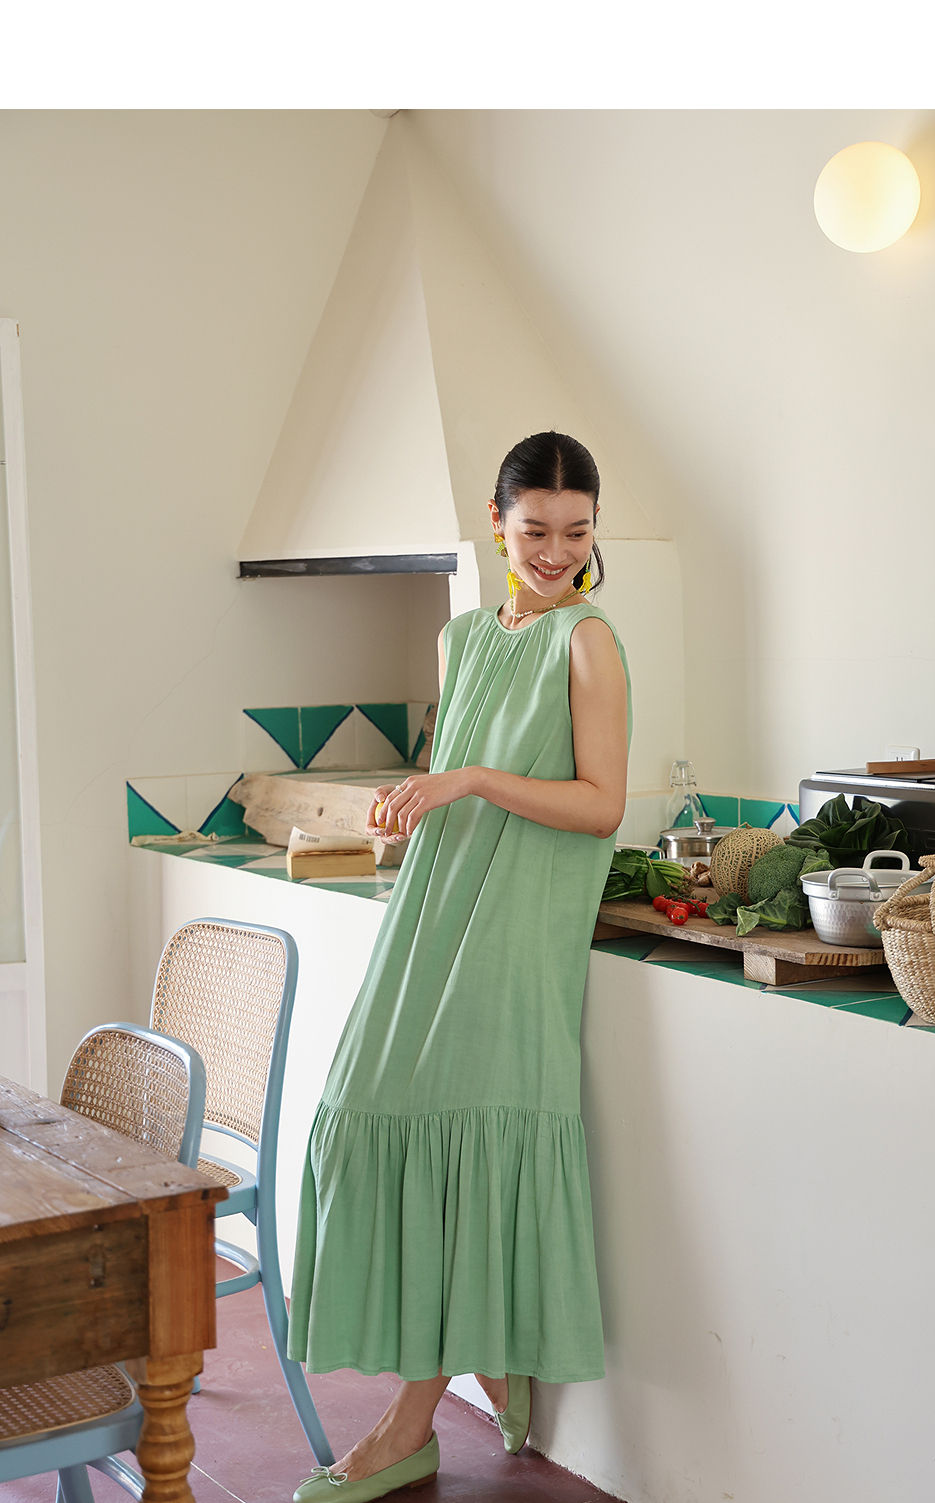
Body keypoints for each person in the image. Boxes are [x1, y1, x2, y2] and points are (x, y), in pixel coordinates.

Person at [287, 431, 631, 1503]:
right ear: (496, 524)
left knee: (468, 1133)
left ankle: (408, 1426)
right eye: (535, 531)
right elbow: (455, 779)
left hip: (520, 923)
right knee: (367, 1101)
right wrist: (413, 804)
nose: (556, 552)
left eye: (576, 531)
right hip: (435, 907)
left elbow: (602, 805)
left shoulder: (588, 641)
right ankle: (487, 1348)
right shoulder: (464, 637)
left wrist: (469, 778)